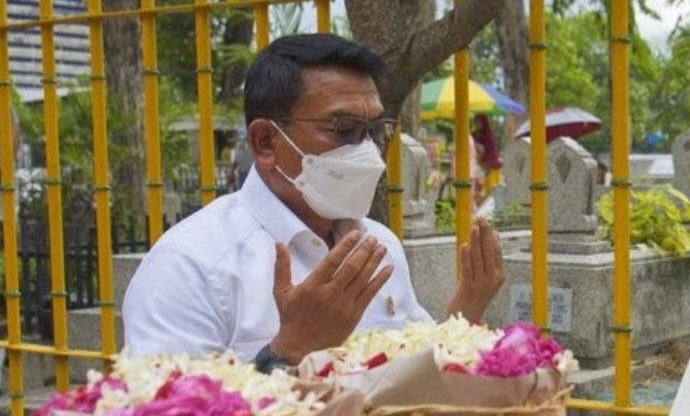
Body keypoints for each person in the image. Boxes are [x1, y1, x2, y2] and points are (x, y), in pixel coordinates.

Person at [122, 33, 505, 371]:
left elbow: (409, 384)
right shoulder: (191, 266)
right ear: (266, 143)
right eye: (345, 130)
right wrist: (287, 352)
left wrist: (463, 315)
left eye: (375, 131)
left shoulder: (380, 246)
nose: (369, 151)